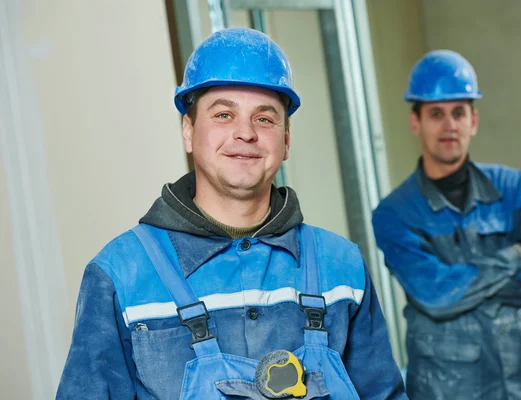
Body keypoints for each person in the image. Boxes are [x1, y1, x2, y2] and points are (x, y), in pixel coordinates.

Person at [56, 28, 406, 399]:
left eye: (265, 119)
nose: (245, 133)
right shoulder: (121, 274)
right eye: (224, 114)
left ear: (286, 140)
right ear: (189, 132)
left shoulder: (342, 266)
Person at [372, 49, 521, 400]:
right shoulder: (395, 213)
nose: (449, 125)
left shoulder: (515, 189)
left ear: (473, 121)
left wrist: (466, 283)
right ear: (415, 122)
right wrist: (514, 257)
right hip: (448, 387)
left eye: (458, 113)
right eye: (436, 114)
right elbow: (436, 295)